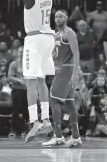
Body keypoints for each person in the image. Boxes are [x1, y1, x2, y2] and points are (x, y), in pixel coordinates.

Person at [13, 0, 55, 143]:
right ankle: (46, 119)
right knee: (41, 81)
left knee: (30, 81)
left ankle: (34, 121)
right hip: (48, 39)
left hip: (35, 39)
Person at [41, 10, 82, 148]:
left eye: (61, 16)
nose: (58, 19)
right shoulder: (56, 34)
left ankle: (58, 136)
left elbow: (76, 53)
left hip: (66, 69)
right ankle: (76, 137)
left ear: (67, 18)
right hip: (61, 68)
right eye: (56, 16)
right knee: (70, 103)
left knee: (53, 99)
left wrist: (76, 73)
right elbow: (56, 54)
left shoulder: (69, 33)